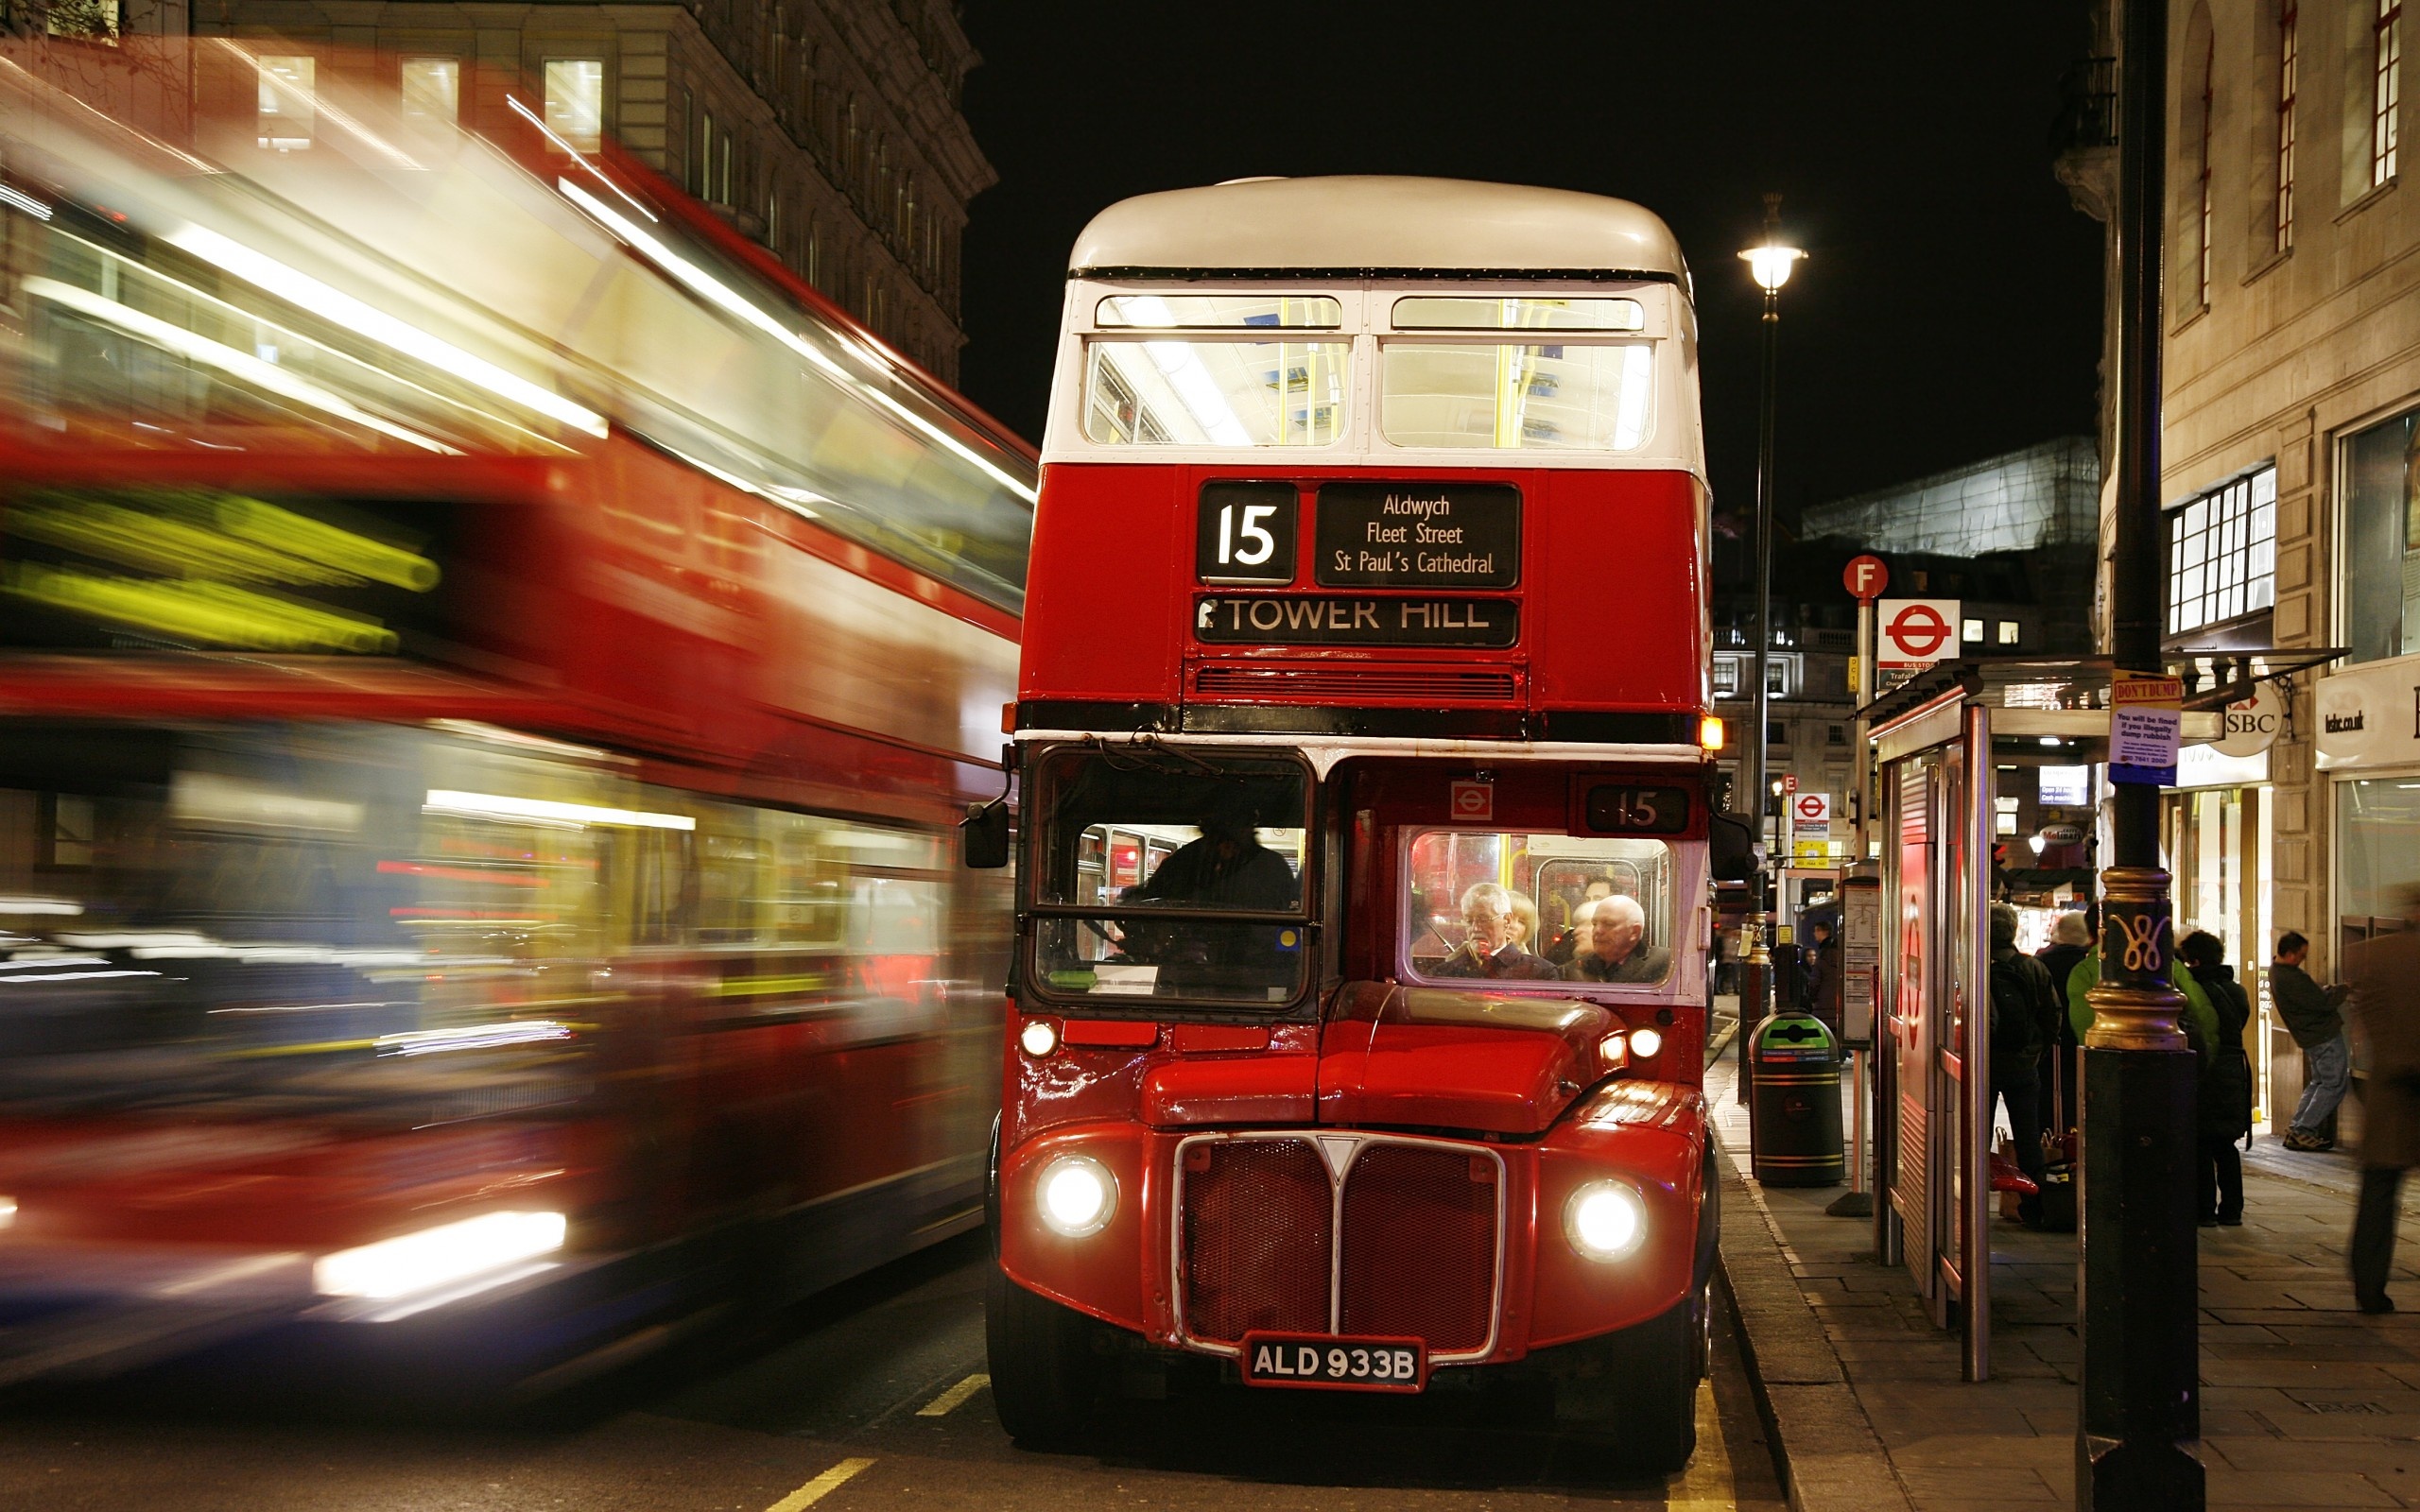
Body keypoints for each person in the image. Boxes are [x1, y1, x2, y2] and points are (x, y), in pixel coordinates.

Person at [2344, 885, 2420, 1314]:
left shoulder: (2374, 955)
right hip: (2400, 1090)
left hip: (2391, 1090)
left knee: (2378, 1192)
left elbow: (2366, 1017)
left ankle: (2369, 1283)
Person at [1987, 902, 2060, 1223]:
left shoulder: (1974, 968)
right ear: (2013, 932)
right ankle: (2035, 1207)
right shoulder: (2033, 968)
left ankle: (1974, 1199)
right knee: (2028, 1137)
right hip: (2023, 1065)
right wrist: (2036, 1051)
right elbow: (2052, 1014)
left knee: (1976, 1134)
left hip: (1984, 1065)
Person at [2180, 930, 2253, 1228]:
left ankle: (2204, 1210)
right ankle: (2232, 1209)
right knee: (2225, 1144)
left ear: (2194, 960)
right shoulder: (2236, 990)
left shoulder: (2195, 991)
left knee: (2201, 1142)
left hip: (2205, 1068)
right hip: (2234, 1069)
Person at [1131, 794, 1298, 911]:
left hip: (1256, 956)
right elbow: (1154, 900)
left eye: (1238, 826)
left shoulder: (1271, 867)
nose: (1228, 843)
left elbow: (1289, 911)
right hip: (1187, 954)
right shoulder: (1182, 863)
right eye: (1220, 831)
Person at [2274, 930, 2354, 1151]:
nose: (2302, 960)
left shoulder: (2278, 972)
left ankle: (2297, 1127)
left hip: (2310, 1037)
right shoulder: (2291, 977)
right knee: (2333, 1084)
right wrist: (2344, 989)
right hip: (2322, 1036)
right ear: (2290, 954)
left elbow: (2313, 997)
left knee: (2319, 1082)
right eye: (2301, 955)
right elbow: (2322, 1002)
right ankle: (2303, 1130)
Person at [2036, 910, 2093, 1135]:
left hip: (2050, 1044)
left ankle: (2049, 1143)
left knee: (2048, 1094)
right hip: (2082, 1040)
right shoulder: (2092, 964)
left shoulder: (2040, 962)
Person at [1434, 882, 1561, 981]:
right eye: (1468, 920)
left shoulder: (1541, 973)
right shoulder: (1442, 974)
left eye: (1484, 919)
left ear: (1506, 920)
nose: (1475, 928)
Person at [1564, 894, 1668, 985]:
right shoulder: (1574, 968)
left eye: (1609, 924)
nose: (1597, 931)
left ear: (1634, 932)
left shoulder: (1665, 963)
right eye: (1594, 924)